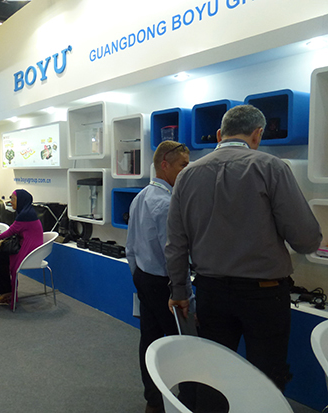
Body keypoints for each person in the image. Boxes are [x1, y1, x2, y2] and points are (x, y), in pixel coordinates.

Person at [166, 105, 322, 392]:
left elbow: (175, 243)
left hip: (210, 292)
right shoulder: (271, 167)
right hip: (264, 296)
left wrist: (179, 291)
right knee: (266, 380)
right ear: (257, 134)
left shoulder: (187, 175)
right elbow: (305, 239)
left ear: (219, 134)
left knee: (212, 376)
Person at [126, 141, 190, 413]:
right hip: (165, 285)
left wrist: (139, 278)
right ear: (165, 165)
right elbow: (173, 254)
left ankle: (153, 401)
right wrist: (182, 291)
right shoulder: (166, 204)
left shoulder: (140, 197)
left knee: (150, 341)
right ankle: (186, 402)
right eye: (182, 165)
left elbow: (130, 247)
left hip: (144, 278)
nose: (186, 171)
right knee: (183, 344)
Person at [0, 189, 43, 308]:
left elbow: (12, 230)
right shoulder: (27, 212)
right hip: (33, 248)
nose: (11, 201)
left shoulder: (25, 215)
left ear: (21, 201)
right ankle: (6, 290)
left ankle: (6, 291)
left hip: (29, 251)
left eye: (13, 199)